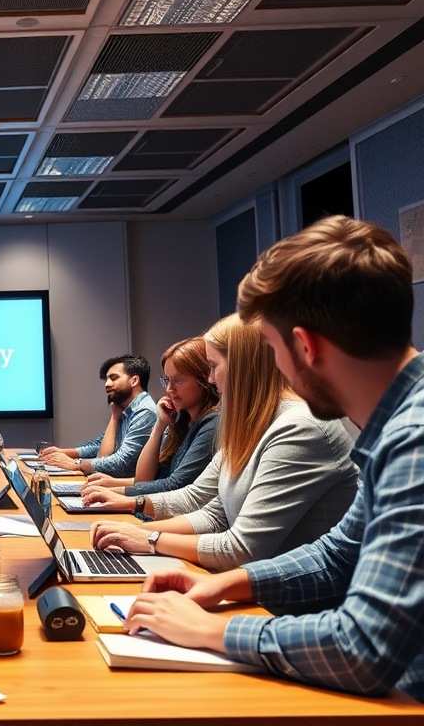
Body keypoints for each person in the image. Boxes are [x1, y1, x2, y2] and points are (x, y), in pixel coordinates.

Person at [124, 216, 424, 702]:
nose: (272, 366)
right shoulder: (398, 425)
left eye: (271, 347)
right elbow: (337, 555)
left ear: (305, 346)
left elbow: (363, 648)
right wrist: (227, 584)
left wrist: (212, 630)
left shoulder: (414, 440)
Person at [84, 314, 358, 572]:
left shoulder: (300, 428)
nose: (210, 379)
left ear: (243, 366)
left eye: (213, 366)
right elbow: (210, 510)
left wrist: (149, 539)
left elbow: (243, 548)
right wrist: (136, 530)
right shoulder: (250, 422)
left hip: (285, 596)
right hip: (248, 581)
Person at [86, 337, 219, 496]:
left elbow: (176, 485)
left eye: (179, 380)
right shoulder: (182, 421)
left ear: (205, 380)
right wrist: (159, 427)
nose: (169, 389)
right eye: (167, 380)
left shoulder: (212, 424)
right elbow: (145, 479)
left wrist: (114, 491)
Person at [40, 354, 157, 477]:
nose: (107, 384)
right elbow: (100, 446)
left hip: (127, 486)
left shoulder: (145, 412)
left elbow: (123, 462)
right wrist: (64, 452)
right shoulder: (125, 409)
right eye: (106, 379)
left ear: (134, 380)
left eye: (114, 378)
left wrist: (77, 464)